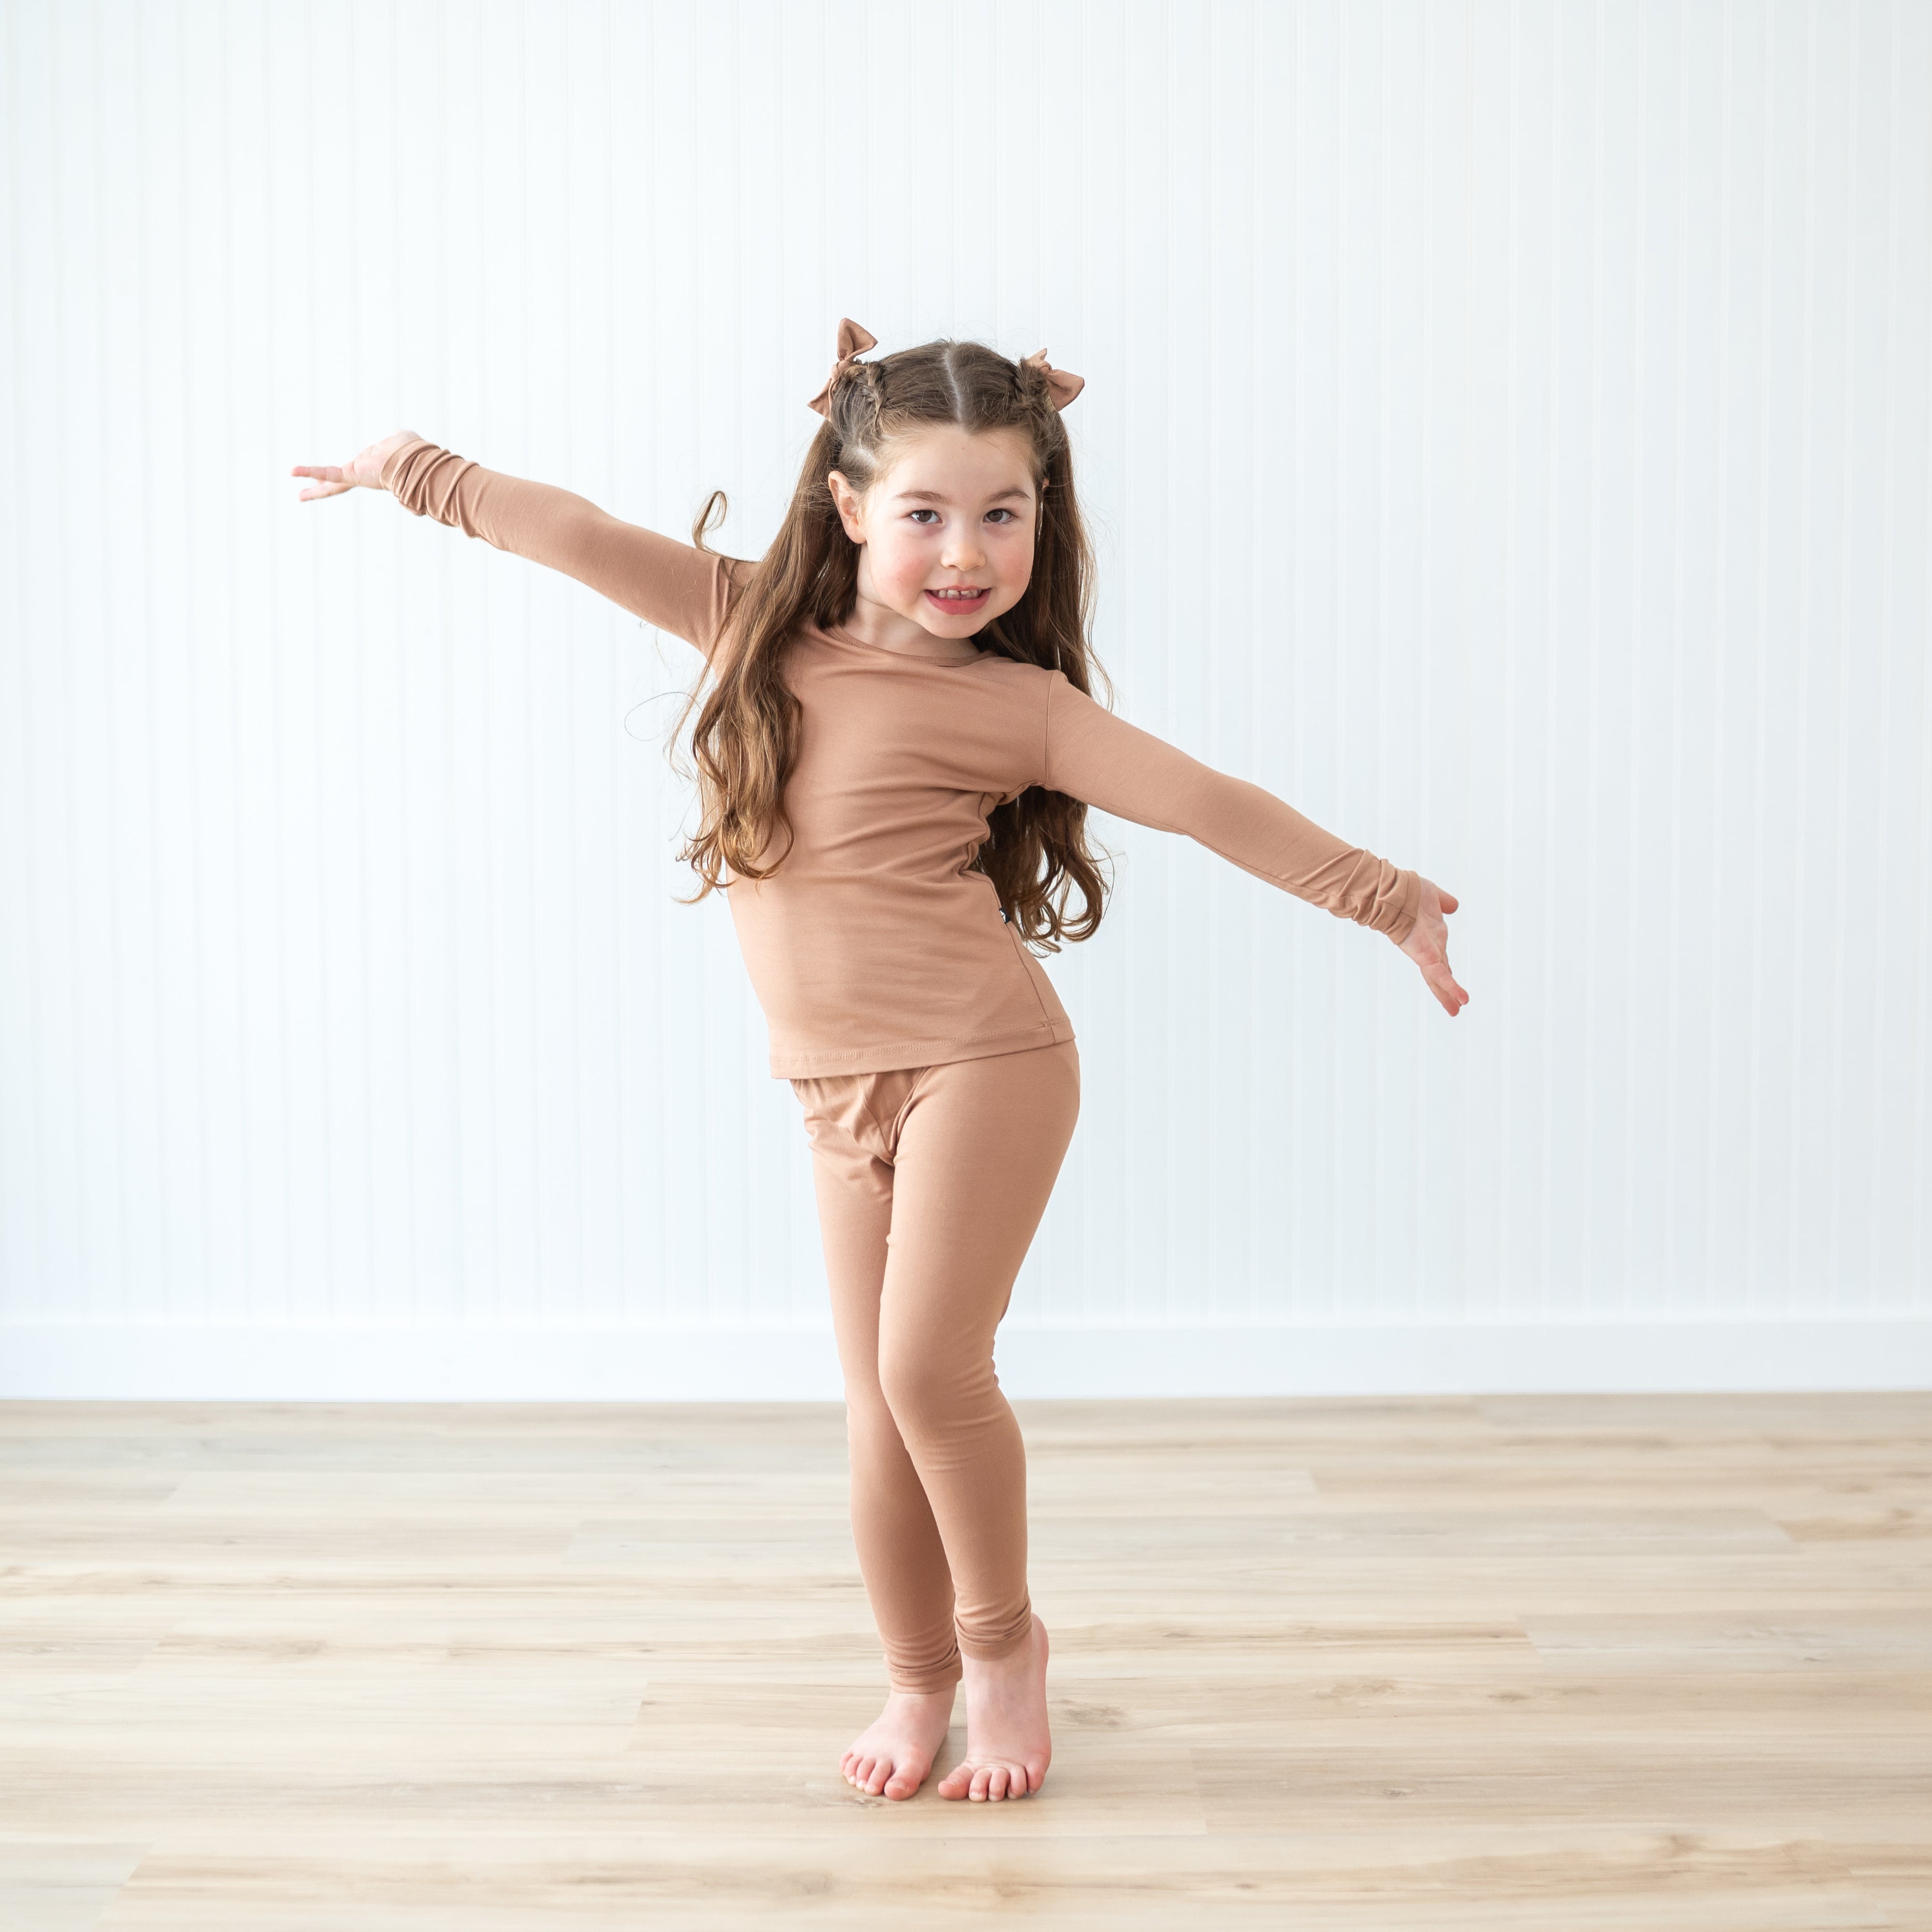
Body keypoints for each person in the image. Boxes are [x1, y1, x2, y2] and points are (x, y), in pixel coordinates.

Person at [292, 319, 1468, 1806]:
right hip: (833, 1088)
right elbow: (574, 535)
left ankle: (1003, 1651)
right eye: (925, 514)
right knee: (871, 1400)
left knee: (928, 1369)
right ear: (850, 509)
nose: (964, 552)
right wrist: (416, 470)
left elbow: (1203, 802)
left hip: (987, 1057)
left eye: (1002, 515)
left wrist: (1386, 897)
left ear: (1046, 518)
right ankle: (916, 1678)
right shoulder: (749, 626)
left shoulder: (1021, 707)